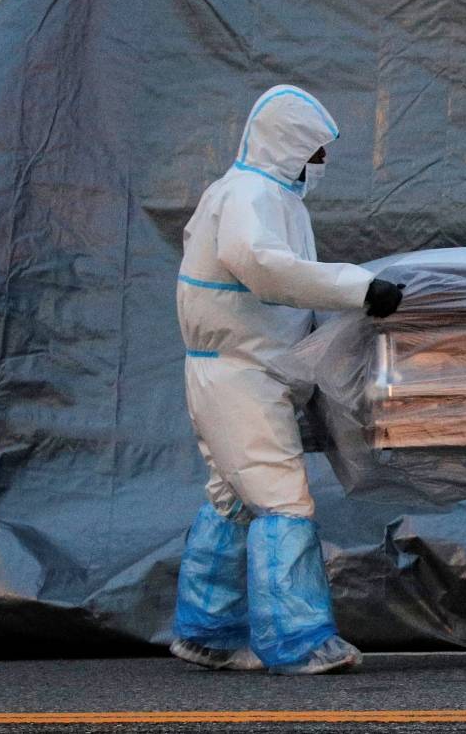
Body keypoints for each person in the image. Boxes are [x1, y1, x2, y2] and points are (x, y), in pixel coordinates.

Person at [169, 85, 403, 675]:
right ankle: (299, 641)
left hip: (239, 369)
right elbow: (264, 268)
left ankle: (208, 633)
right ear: (291, 146)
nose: (320, 164)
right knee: (282, 502)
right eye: (316, 151)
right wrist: (359, 289)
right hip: (241, 373)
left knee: (232, 501)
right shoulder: (252, 195)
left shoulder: (252, 193)